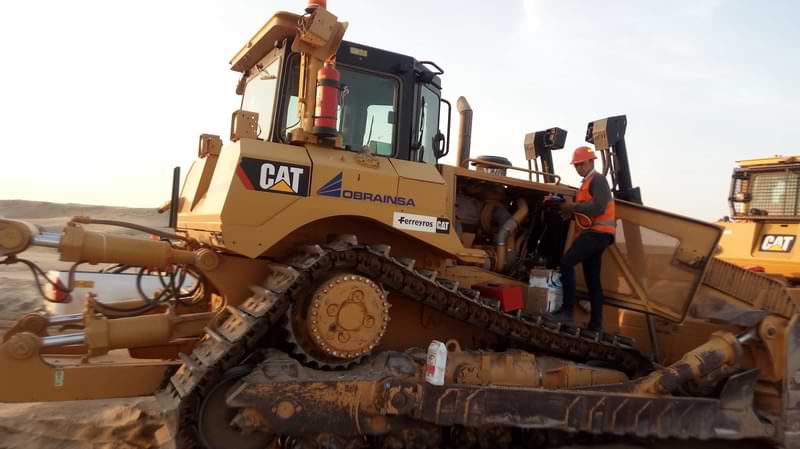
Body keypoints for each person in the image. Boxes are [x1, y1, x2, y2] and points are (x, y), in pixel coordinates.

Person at [548, 146, 616, 333]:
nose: (578, 167)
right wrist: (566, 210)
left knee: (566, 263)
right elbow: (584, 214)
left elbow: (598, 208)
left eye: (581, 164)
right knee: (592, 280)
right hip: (596, 234)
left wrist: (572, 207)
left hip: (597, 234)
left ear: (591, 162)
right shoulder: (586, 183)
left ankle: (567, 312)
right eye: (576, 165)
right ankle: (596, 324)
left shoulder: (598, 180)